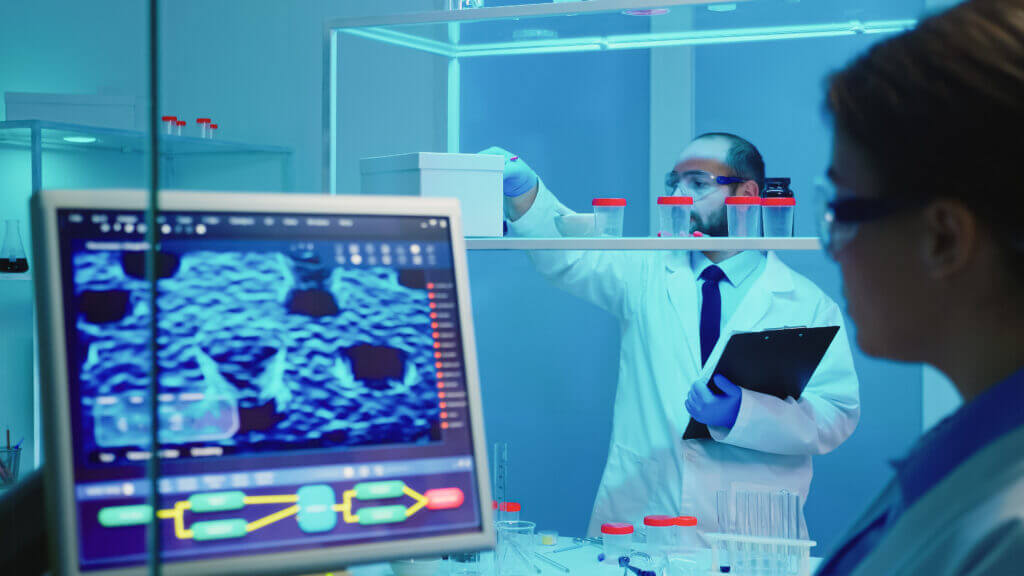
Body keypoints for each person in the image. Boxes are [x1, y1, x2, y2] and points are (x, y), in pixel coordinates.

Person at [484, 133, 861, 538]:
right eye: (674, 183)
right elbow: (573, 254)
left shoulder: (805, 303)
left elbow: (836, 413)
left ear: (748, 193)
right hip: (645, 524)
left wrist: (744, 414)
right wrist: (528, 193)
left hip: (753, 537)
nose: (680, 195)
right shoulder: (646, 270)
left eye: (698, 184)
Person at [814, 1, 1024, 574]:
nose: (835, 246)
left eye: (842, 211)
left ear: (944, 239)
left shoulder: (1009, 534)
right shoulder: (970, 457)